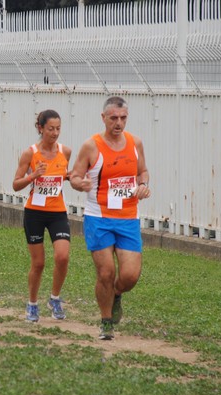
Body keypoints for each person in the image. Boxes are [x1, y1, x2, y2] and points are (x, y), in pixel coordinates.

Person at [70, 96, 151, 340]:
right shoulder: (91, 146)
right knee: (105, 273)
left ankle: (115, 295)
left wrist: (144, 185)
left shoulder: (135, 143)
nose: (118, 123)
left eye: (123, 118)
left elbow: (143, 171)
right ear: (103, 118)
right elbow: (75, 175)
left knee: (129, 276)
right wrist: (79, 183)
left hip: (128, 218)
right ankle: (106, 322)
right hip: (99, 218)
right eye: (113, 118)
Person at [12, 109, 72, 322]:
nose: (55, 133)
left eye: (58, 129)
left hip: (57, 212)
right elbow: (15, 184)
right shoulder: (30, 153)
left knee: (63, 256)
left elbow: (63, 174)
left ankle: (54, 298)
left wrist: (70, 177)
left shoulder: (66, 151)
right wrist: (33, 176)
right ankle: (32, 304)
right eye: (50, 129)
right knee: (38, 263)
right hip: (35, 213)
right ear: (40, 128)